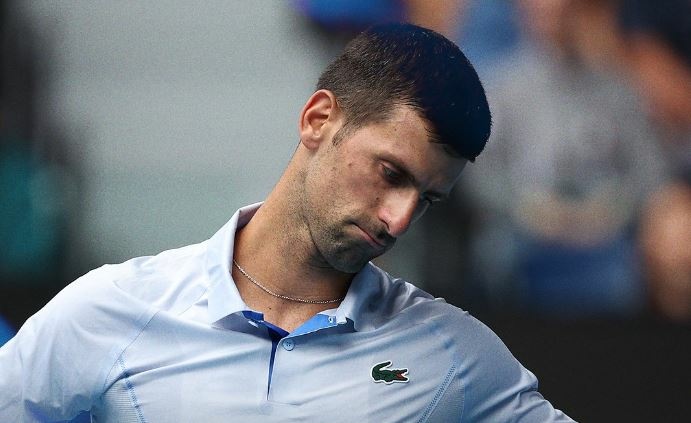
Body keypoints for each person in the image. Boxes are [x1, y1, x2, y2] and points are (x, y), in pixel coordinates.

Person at [0, 23, 574, 422]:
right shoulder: (112, 307)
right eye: (390, 173)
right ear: (319, 119)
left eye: (427, 199)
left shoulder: (451, 352)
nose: (399, 220)